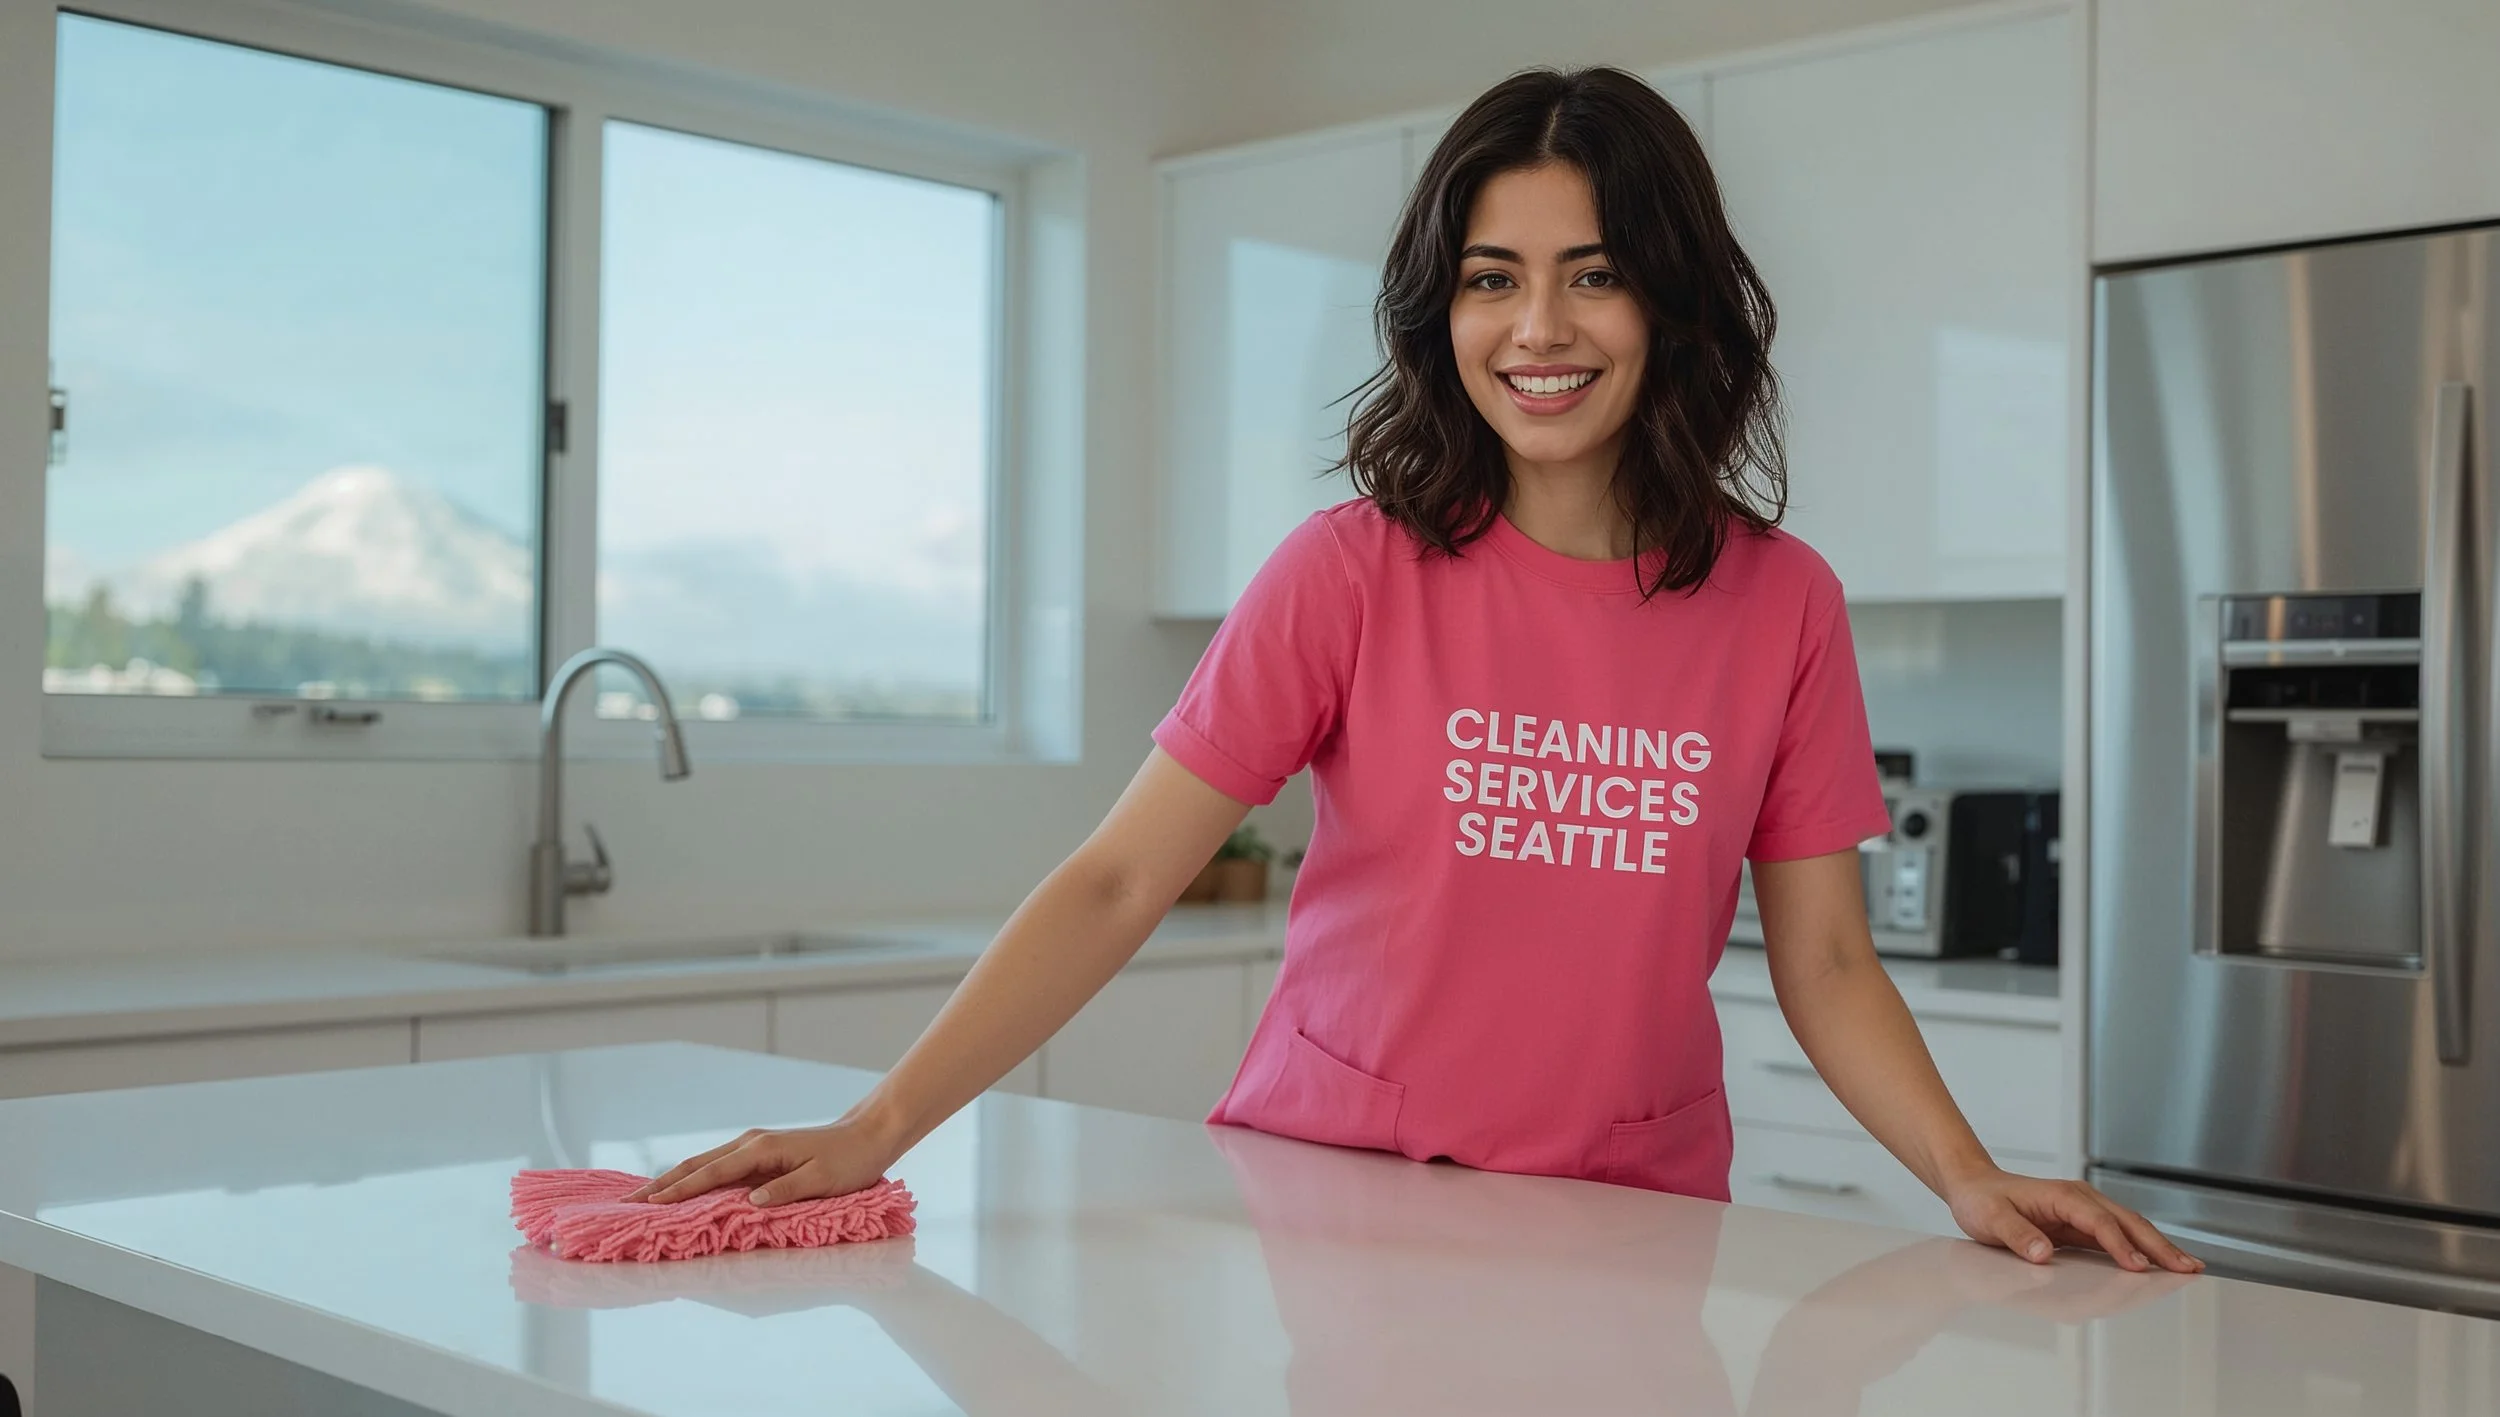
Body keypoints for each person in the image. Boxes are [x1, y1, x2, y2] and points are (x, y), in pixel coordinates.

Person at [631, 66, 2200, 1276]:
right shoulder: (1350, 573)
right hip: (1331, 1196)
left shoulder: (1781, 605)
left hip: (1631, 1217)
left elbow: (1831, 963)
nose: (1539, 326)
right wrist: (880, 1125)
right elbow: (1121, 881)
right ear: (1441, 305)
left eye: (1592, 273)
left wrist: (1964, 1172)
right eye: (1490, 277)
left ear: (1671, 299)